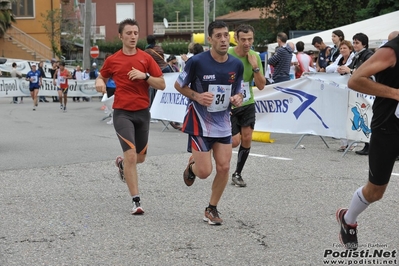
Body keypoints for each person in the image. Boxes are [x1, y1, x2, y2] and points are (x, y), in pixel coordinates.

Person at [174, 20, 244, 225]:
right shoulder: (197, 62)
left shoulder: (236, 64)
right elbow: (179, 85)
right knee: (205, 172)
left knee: (223, 167)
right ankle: (192, 168)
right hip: (199, 120)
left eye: (226, 35)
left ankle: (211, 208)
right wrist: (196, 96)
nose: (223, 40)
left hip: (223, 121)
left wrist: (238, 97)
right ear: (210, 39)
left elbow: (239, 89)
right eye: (219, 36)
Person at [95, 18, 165, 215]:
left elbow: (162, 84)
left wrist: (145, 77)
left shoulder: (146, 58)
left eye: (135, 33)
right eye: (128, 33)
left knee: (140, 158)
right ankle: (136, 201)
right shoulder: (113, 60)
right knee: (132, 156)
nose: (133, 36)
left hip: (143, 112)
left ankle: (122, 165)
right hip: (122, 113)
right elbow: (102, 76)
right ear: (120, 36)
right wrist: (99, 82)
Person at [336, 32, 399, 251]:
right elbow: (355, 80)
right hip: (389, 128)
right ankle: (349, 218)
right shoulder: (391, 51)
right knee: (375, 191)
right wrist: (395, 93)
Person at [227, 24, 266, 187]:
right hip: (229, 102)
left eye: (249, 39)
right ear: (236, 39)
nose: (246, 43)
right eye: (243, 39)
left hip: (247, 101)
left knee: (247, 137)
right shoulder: (227, 54)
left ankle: (237, 173)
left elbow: (262, 85)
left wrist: (255, 68)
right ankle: (206, 151)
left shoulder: (254, 57)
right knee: (234, 141)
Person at [337, 33, 374, 156]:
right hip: (358, 91)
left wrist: (350, 71)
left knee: (367, 117)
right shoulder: (357, 56)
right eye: (354, 42)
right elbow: (350, 68)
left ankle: (370, 145)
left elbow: (368, 72)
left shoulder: (369, 55)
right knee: (363, 117)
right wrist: (343, 70)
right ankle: (366, 144)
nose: (355, 45)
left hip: (367, 91)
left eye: (357, 42)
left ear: (364, 43)